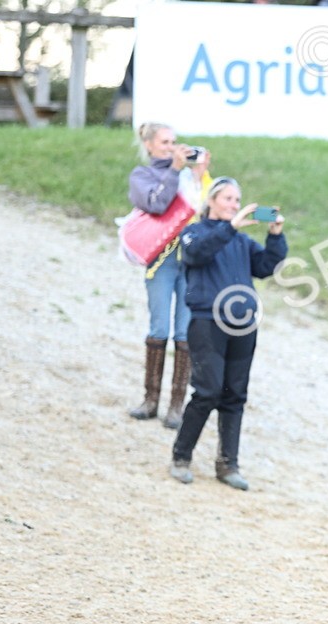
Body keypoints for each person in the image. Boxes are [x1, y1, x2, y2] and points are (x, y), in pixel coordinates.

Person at [169, 177, 287, 491]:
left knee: (235, 395)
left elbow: (266, 266)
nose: (234, 205)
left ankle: (227, 464)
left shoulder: (241, 242)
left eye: (237, 201)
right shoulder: (194, 233)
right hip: (207, 322)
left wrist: (276, 237)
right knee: (207, 391)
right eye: (228, 199)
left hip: (243, 325)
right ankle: (181, 456)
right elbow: (197, 255)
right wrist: (230, 227)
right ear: (212, 201)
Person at [127, 122, 211, 428]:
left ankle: (176, 406)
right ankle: (150, 400)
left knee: (185, 332)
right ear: (149, 145)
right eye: (164, 142)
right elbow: (158, 204)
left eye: (174, 141)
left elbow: (206, 215)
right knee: (159, 327)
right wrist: (174, 169)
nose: (172, 147)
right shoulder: (143, 176)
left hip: (189, 262)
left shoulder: (190, 179)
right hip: (161, 261)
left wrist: (200, 177)